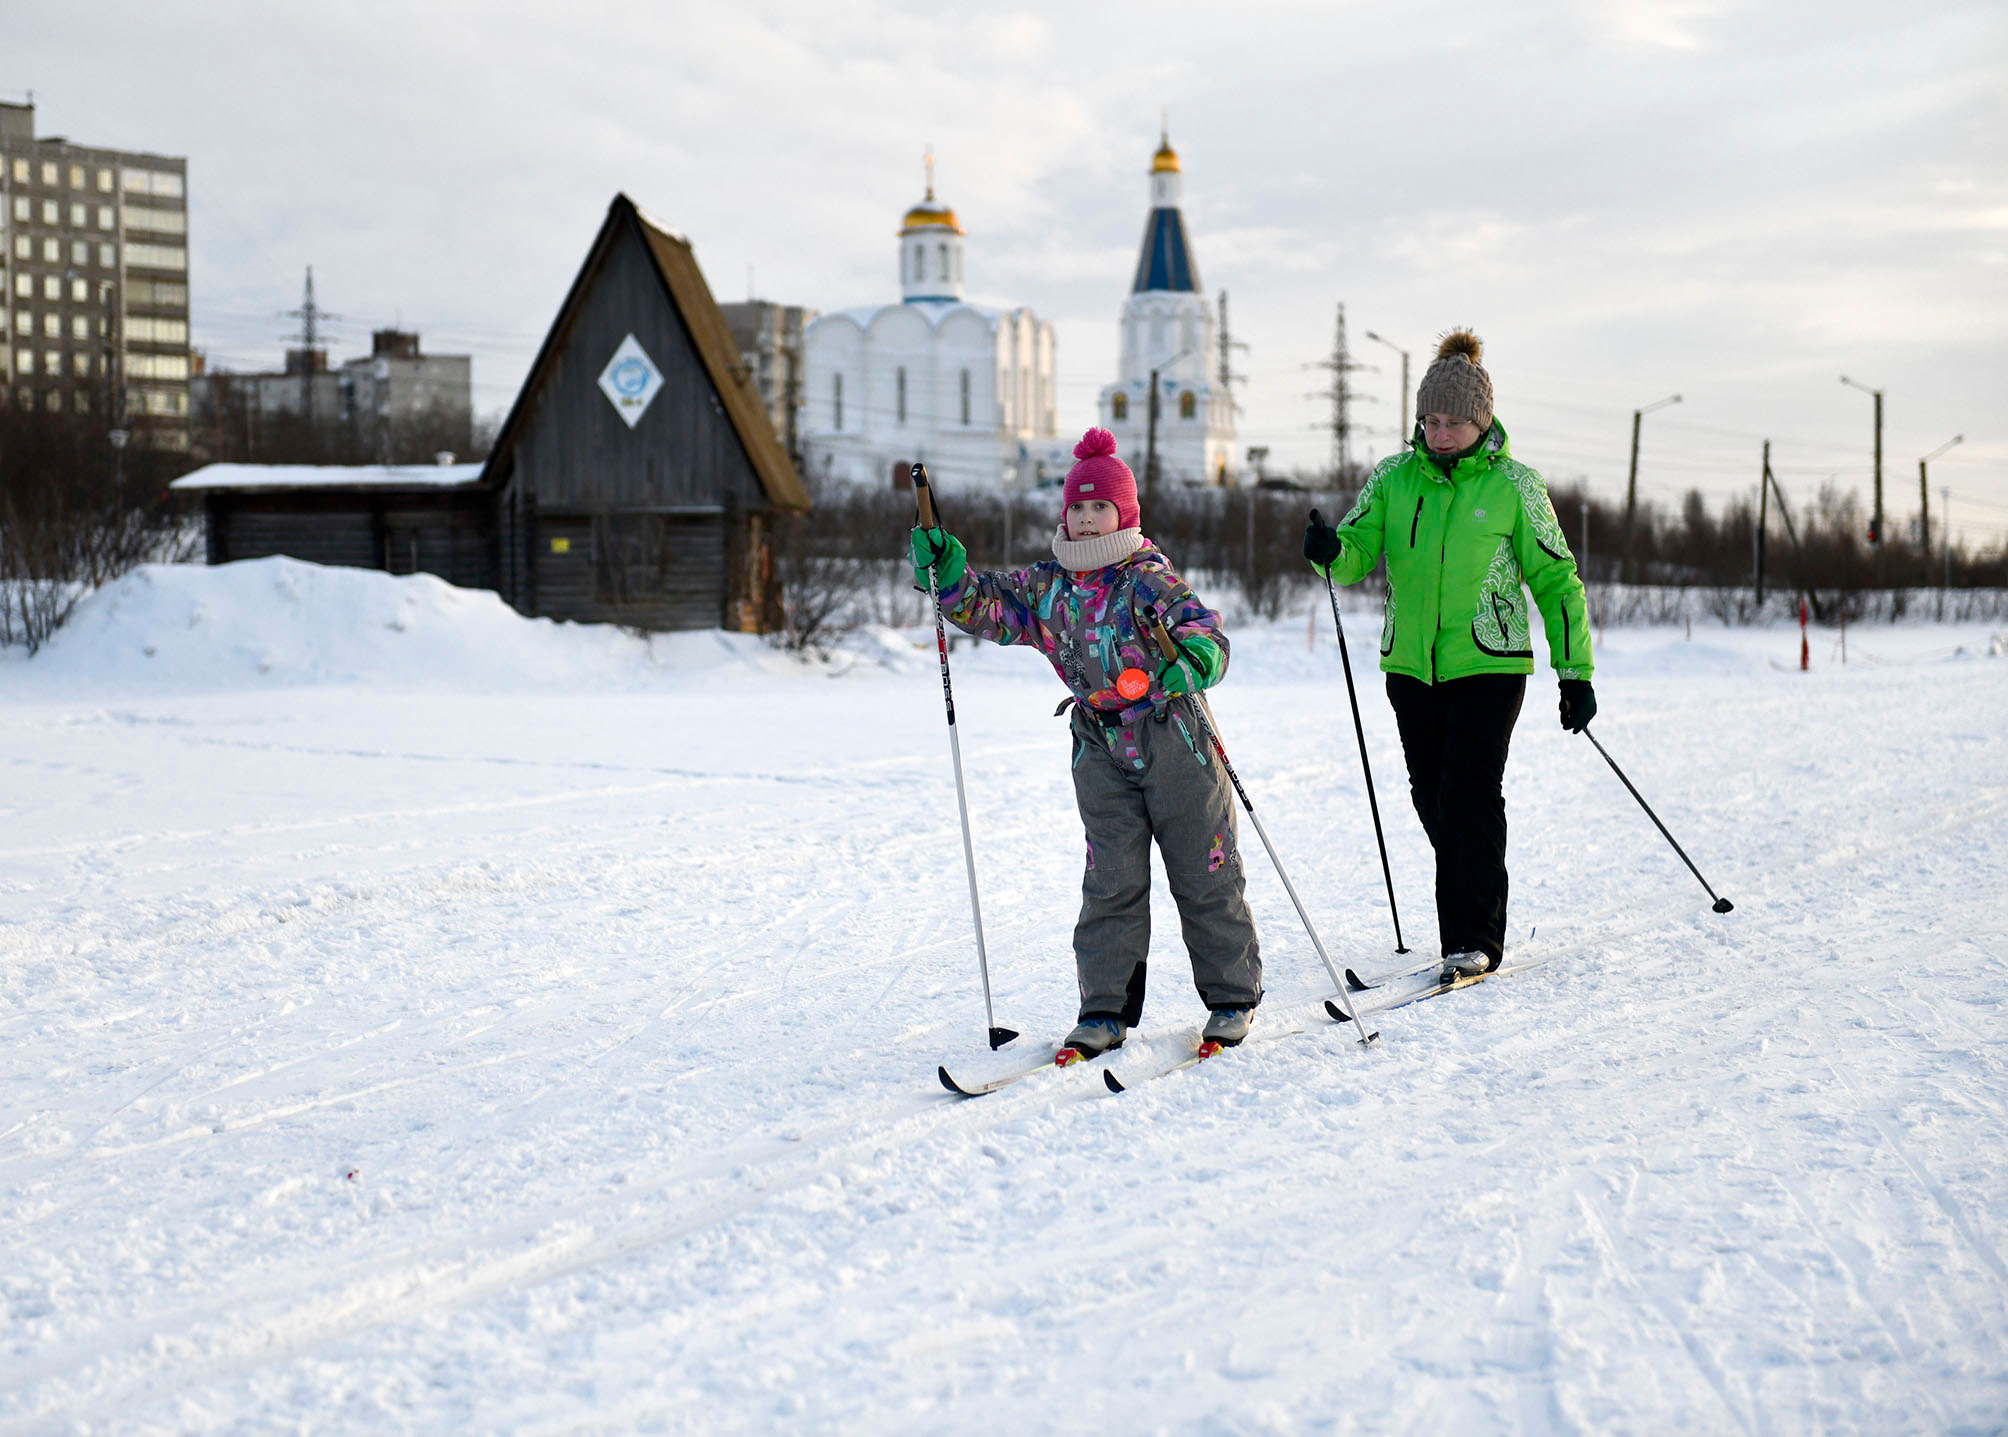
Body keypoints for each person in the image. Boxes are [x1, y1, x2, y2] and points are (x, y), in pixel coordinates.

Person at [910, 427, 1261, 1056]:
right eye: (1077, 507)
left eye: (1100, 507)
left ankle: (1231, 997)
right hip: (1098, 746)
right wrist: (950, 575)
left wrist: (1197, 659)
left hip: (1173, 737)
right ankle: (1104, 1011)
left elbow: (1206, 631)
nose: (1088, 518)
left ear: (1123, 513)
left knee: (1203, 871)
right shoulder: (1048, 587)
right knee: (1111, 880)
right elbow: (984, 608)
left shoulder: (1148, 578)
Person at [1303, 331, 1595, 981]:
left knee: (1467, 792)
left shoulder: (1516, 486)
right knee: (1431, 793)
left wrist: (1575, 671)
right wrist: (1330, 549)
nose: (1439, 434)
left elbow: (1556, 579)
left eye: (1453, 422)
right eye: (1430, 420)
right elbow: (1356, 550)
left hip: (1489, 662)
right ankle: (1475, 880)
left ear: (1481, 421)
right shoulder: (1393, 478)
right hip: (1410, 665)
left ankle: (1471, 937)